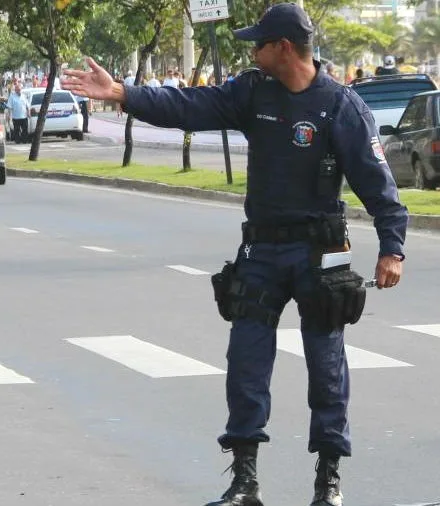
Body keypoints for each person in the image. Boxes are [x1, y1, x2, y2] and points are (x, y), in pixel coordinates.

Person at [62, 3, 408, 506]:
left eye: (259, 43)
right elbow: (186, 105)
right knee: (246, 363)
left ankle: (327, 481)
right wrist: (122, 93)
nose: (253, 50)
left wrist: (392, 247)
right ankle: (244, 481)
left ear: (283, 48)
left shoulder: (340, 105)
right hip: (262, 247)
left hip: (321, 250)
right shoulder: (251, 93)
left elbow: (378, 183)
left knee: (326, 365)